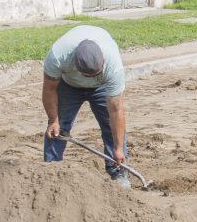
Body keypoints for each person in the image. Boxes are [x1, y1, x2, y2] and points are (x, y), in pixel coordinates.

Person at [41, 25, 130, 188]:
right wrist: (53, 120)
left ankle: (117, 170)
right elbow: (49, 89)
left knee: (110, 127)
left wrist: (118, 148)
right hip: (68, 85)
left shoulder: (113, 65)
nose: (90, 79)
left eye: (95, 74)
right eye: (87, 76)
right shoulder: (58, 55)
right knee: (57, 130)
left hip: (102, 88)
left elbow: (116, 110)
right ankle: (51, 171)